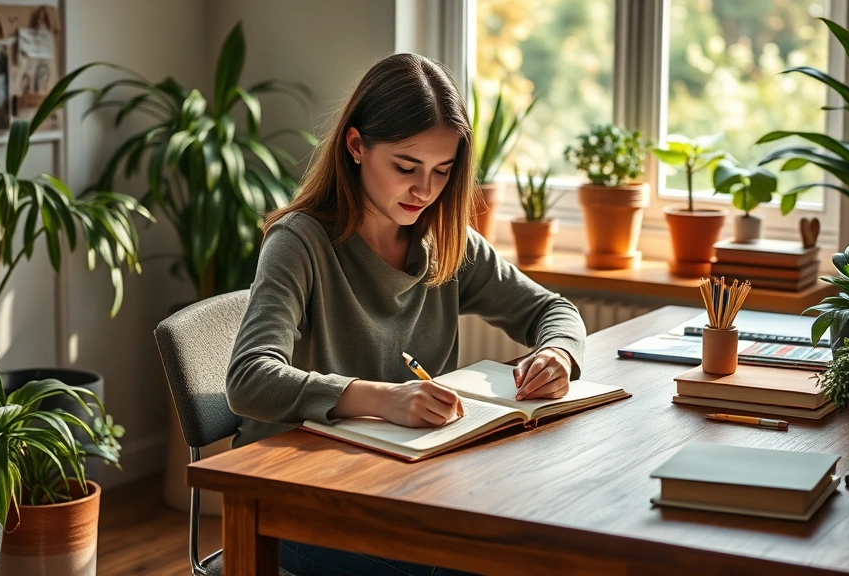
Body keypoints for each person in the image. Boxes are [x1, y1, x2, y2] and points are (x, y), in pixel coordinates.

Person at [226, 53, 586, 576]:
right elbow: (248, 379)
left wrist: (557, 352)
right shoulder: (299, 242)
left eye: (442, 171)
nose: (425, 190)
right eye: (405, 167)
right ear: (356, 146)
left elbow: (553, 309)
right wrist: (384, 399)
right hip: (297, 505)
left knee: (545, 538)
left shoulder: (446, 245)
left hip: (403, 487)